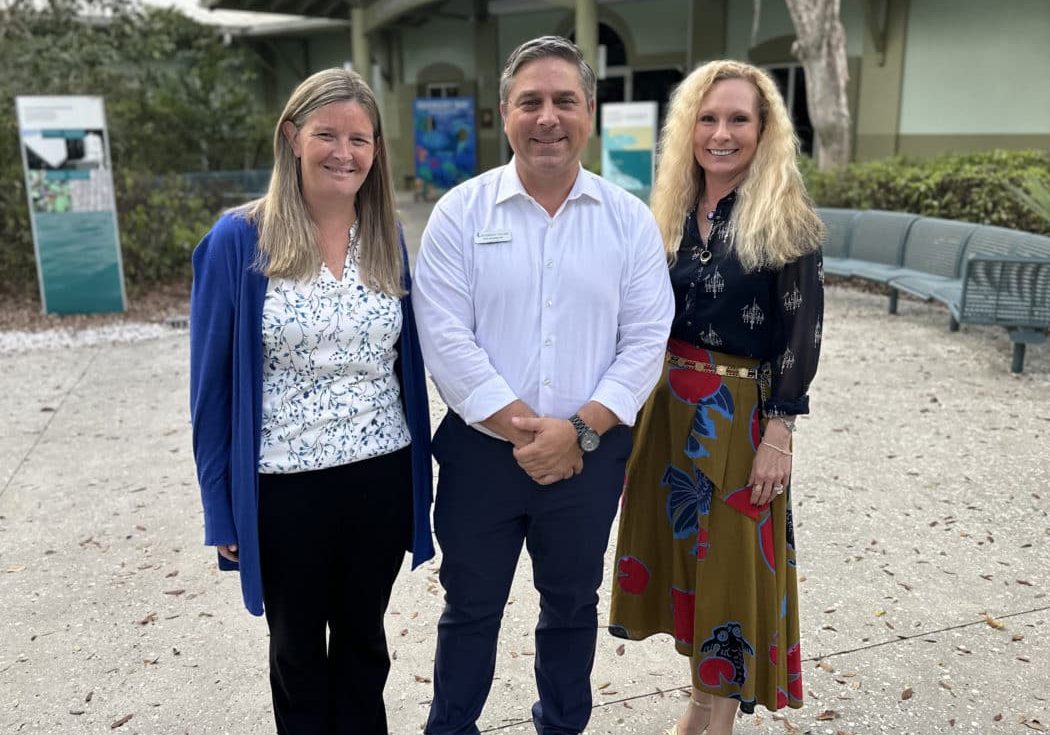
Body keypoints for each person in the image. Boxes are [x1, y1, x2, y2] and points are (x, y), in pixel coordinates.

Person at [412, 35, 674, 735]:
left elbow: (646, 339)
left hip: (588, 458)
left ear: (589, 111)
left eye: (565, 100)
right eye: (530, 101)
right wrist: (529, 431)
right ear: (505, 112)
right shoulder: (460, 215)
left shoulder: (628, 222)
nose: (548, 117)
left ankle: (562, 724)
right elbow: (445, 336)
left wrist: (578, 431)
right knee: (470, 608)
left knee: (571, 606)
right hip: (480, 459)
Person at [188, 68, 434, 735]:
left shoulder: (385, 235)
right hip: (283, 488)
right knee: (297, 657)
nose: (344, 152)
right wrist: (221, 507)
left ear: (376, 149)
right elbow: (210, 394)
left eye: (360, 138)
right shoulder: (239, 240)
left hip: (380, 477)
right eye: (327, 134)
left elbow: (404, 362)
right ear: (292, 137)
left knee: (364, 647)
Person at [607, 60, 825, 735]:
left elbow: (802, 333)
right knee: (687, 565)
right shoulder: (667, 209)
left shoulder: (788, 217)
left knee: (728, 571)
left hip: (737, 419)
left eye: (738, 119)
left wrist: (780, 432)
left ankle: (715, 723)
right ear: (688, 128)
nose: (721, 133)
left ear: (764, 130)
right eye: (708, 118)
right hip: (665, 411)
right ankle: (699, 707)